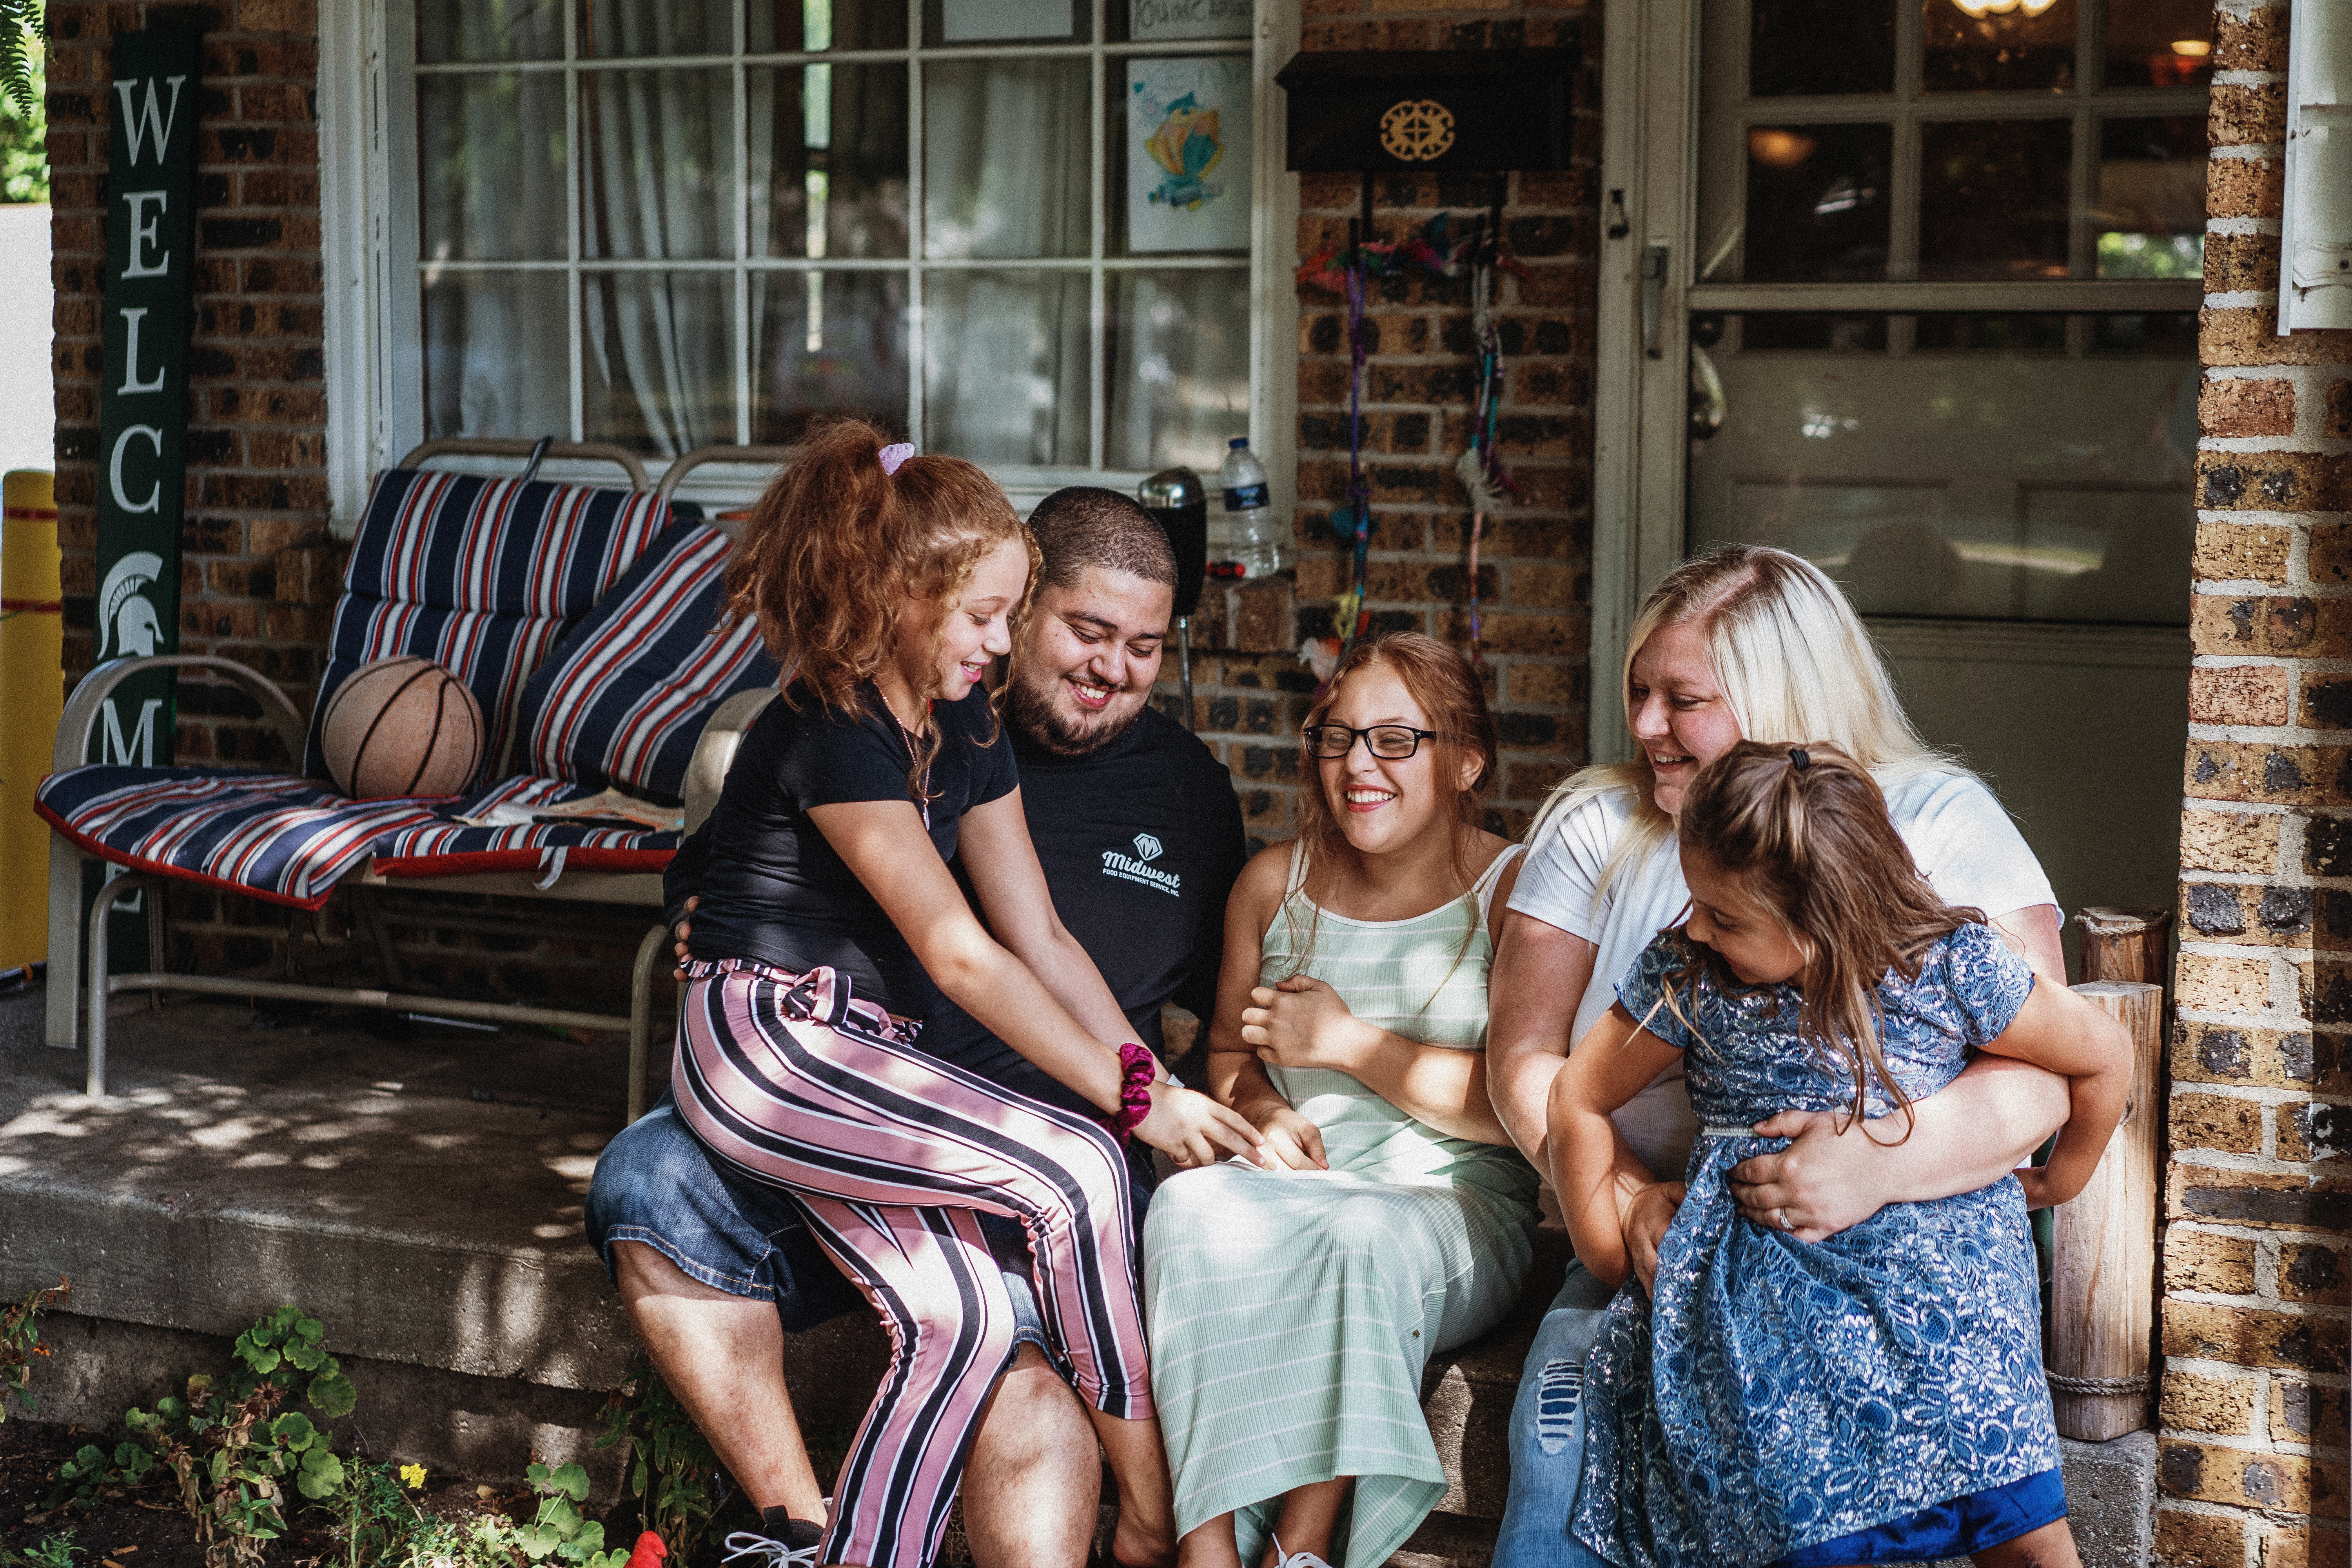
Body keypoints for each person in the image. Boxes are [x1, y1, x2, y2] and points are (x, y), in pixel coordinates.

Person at [583, 481, 1247, 1568]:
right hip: (788, 1046)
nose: (996, 639)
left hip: (876, 1073)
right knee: (1076, 1163)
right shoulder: (834, 723)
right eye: (999, 617)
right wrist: (1133, 1100)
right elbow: (958, 949)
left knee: (966, 1320)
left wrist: (1162, 1087)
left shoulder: (976, 729)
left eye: (1145, 645)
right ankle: (1156, 1512)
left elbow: (1041, 937)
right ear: (904, 596)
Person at [1485, 544, 2076, 1568]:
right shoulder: (1597, 823)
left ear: (1782, 698)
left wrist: (1875, 1162)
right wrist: (1623, 1202)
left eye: (1684, 700)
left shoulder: (1935, 821)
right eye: (1639, 693)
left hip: (1901, 1239)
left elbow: (2042, 1074)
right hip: (1665, 1240)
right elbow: (1528, 1064)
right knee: (1563, 1441)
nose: (1646, 729)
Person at [1553, 742, 2128, 1568]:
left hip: (1947, 1305)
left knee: (2025, 1525)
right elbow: (1579, 1093)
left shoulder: (1946, 962)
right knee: (1800, 1526)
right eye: (1698, 902)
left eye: (1728, 915)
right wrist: (1609, 1252)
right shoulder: (1697, 974)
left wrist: (2060, 1177)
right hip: (1770, 1316)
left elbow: (2102, 1053)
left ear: (1820, 916)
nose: (1700, 926)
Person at [1145, 632, 1542, 1568]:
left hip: (1454, 1206)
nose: (1359, 764)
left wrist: (1354, 1047)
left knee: (1359, 1237)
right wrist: (1264, 1109)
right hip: (1296, 1185)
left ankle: (1304, 1547)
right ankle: (1203, 1551)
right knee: (1187, 1204)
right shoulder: (1272, 885)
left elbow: (1526, 1108)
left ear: (1466, 761)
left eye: (1396, 740)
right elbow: (1229, 1055)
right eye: (1338, 736)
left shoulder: (1512, 890)